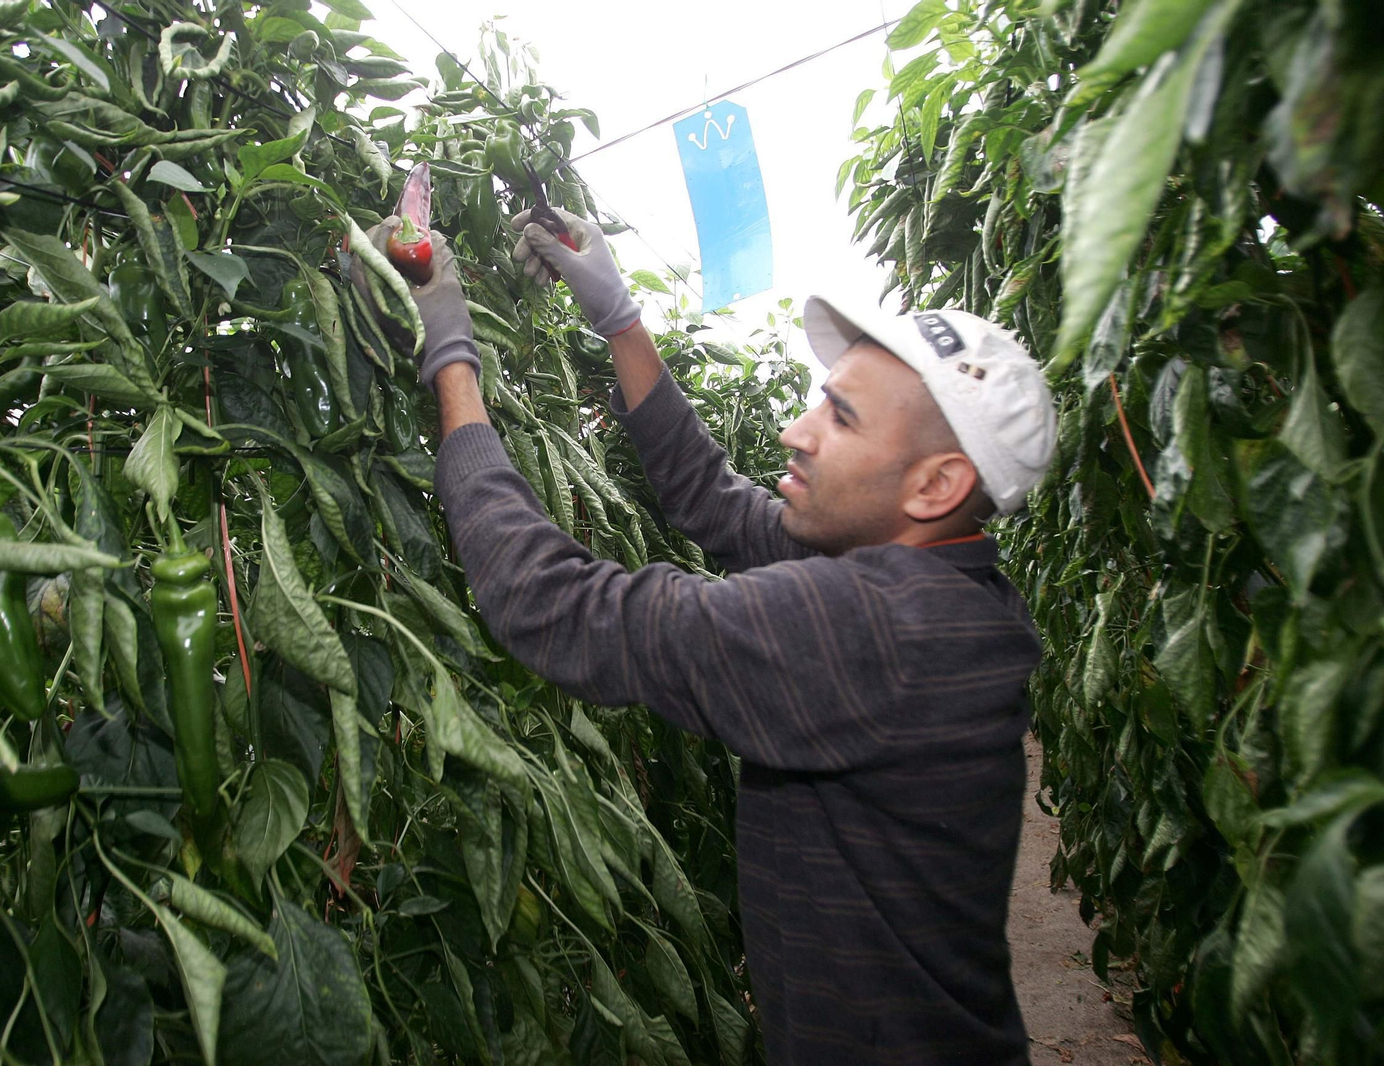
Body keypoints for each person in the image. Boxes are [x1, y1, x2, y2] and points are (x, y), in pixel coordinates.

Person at [351, 201, 1057, 1065]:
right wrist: (619, 318)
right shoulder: (940, 584)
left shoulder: (876, 632)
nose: (797, 433)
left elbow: (554, 605)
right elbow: (713, 500)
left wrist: (449, 355)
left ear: (936, 484)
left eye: (841, 417)